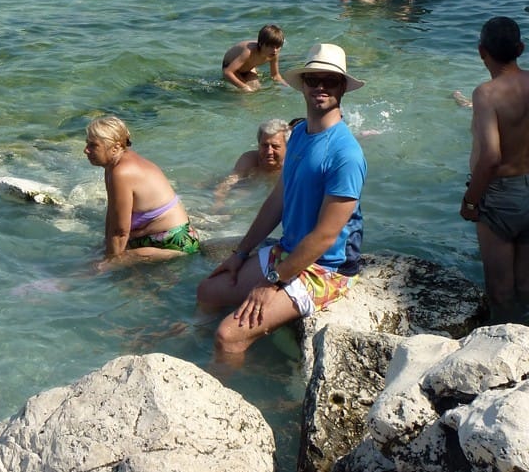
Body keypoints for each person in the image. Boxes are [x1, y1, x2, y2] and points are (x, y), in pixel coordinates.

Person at [197, 44, 366, 363]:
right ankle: (205, 355)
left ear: (342, 87)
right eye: (313, 79)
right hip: (288, 250)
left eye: (330, 81)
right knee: (208, 291)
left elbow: (326, 236)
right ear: (303, 85)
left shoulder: (346, 154)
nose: (320, 87)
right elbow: (278, 199)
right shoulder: (299, 133)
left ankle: (230, 383)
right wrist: (240, 253)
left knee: (227, 336)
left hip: (325, 268)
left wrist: (272, 281)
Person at [460, 17, 529, 323]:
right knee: (526, 285)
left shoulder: (486, 94)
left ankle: (503, 341)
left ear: (481, 52)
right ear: (520, 48)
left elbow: (490, 156)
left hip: (500, 196)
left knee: (501, 291)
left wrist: (471, 201)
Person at [84, 115, 199, 263]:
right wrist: (106, 246)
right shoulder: (112, 166)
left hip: (175, 243)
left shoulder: (122, 172)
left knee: (98, 267)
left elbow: (120, 232)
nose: (85, 150)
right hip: (155, 238)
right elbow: (113, 217)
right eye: (87, 143)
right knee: (97, 255)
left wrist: (109, 261)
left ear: (116, 147)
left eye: (93, 145)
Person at [214, 119, 291, 204]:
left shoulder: (291, 167)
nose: (269, 151)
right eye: (265, 145)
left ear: (288, 147)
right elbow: (228, 183)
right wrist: (219, 203)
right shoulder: (250, 159)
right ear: (258, 145)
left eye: (275, 146)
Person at [222, 24, 286, 92]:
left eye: (278, 47)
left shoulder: (273, 54)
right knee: (247, 91)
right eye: (271, 47)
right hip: (230, 67)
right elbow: (227, 72)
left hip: (248, 68)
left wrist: (285, 86)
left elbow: (275, 75)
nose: (275, 50)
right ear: (261, 44)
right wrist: (244, 87)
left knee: (256, 87)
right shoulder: (248, 52)